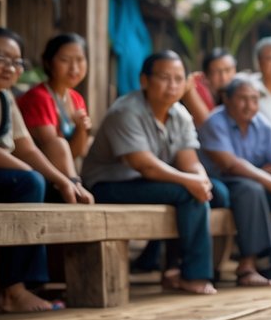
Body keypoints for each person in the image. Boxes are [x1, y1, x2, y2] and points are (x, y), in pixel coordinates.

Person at [0, 27, 93, 312]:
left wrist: (63, 180)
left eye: (17, 61)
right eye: (1, 58)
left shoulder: (5, 99)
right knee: (29, 184)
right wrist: (32, 175)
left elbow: (27, 148)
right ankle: (14, 290)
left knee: (46, 186)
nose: (11, 67)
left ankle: (39, 285)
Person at [83, 51, 220, 296]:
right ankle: (194, 274)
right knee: (187, 193)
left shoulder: (180, 114)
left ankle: (174, 269)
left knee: (218, 192)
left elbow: (189, 160)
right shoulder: (125, 111)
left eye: (179, 78)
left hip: (146, 182)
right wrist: (192, 182)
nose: (173, 85)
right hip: (108, 185)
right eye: (165, 77)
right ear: (144, 80)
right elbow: (143, 164)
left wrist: (201, 178)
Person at [199, 76, 271, 286]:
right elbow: (230, 164)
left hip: (252, 186)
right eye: (243, 99)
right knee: (251, 189)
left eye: (254, 99)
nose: (249, 105)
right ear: (227, 99)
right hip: (218, 184)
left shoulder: (262, 124)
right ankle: (246, 266)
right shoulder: (215, 121)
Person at [16, 33, 93, 183]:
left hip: (62, 172)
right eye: (65, 60)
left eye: (80, 60)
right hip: (37, 172)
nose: (74, 68)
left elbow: (75, 153)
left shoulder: (76, 98)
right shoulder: (39, 97)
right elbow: (54, 150)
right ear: (48, 62)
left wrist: (81, 129)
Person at [179, 48, 237, 127]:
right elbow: (210, 128)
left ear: (235, 70)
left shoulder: (241, 89)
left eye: (227, 70)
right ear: (206, 75)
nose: (223, 77)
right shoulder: (195, 87)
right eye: (217, 71)